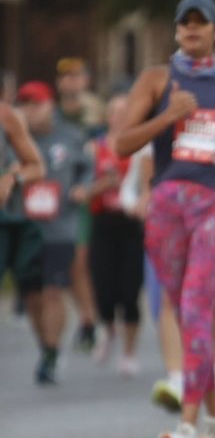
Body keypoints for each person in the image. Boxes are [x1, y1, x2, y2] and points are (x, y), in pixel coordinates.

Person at [114, 0, 215, 438]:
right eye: (185, 25)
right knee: (185, 313)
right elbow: (121, 143)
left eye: (201, 25)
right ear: (177, 31)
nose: (192, 31)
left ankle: (187, 429)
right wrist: (168, 116)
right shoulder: (156, 79)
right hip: (167, 203)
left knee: (198, 305)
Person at [16, 81, 95, 383]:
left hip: (61, 225)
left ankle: (51, 352)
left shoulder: (70, 136)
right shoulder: (14, 137)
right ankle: (45, 346)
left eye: (36, 104)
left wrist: (82, 188)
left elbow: (89, 167)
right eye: (25, 105)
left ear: (51, 105)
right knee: (33, 296)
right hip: (26, 225)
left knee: (53, 291)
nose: (31, 112)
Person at [87, 94, 145, 375]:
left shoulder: (140, 147)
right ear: (108, 117)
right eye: (116, 112)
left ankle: (129, 352)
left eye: (126, 111)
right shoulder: (95, 148)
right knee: (104, 289)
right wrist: (102, 185)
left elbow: (149, 182)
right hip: (102, 223)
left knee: (130, 291)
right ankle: (108, 327)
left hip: (130, 224)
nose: (120, 117)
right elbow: (81, 190)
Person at [54, 57, 105, 351]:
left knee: (80, 261)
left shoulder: (95, 116)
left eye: (76, 76)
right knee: (69, 262)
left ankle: (89, 319)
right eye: (65, 77)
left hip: (88, 196)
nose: (70, 82)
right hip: (57, 197)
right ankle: (86, 320)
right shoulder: (54, 115)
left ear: (86, 80)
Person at [0, 96, 45, 331]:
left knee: (34, 289)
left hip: (4, 220)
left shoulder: (7, 116)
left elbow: (37, 167)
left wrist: (11, 179)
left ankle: (49, 349)